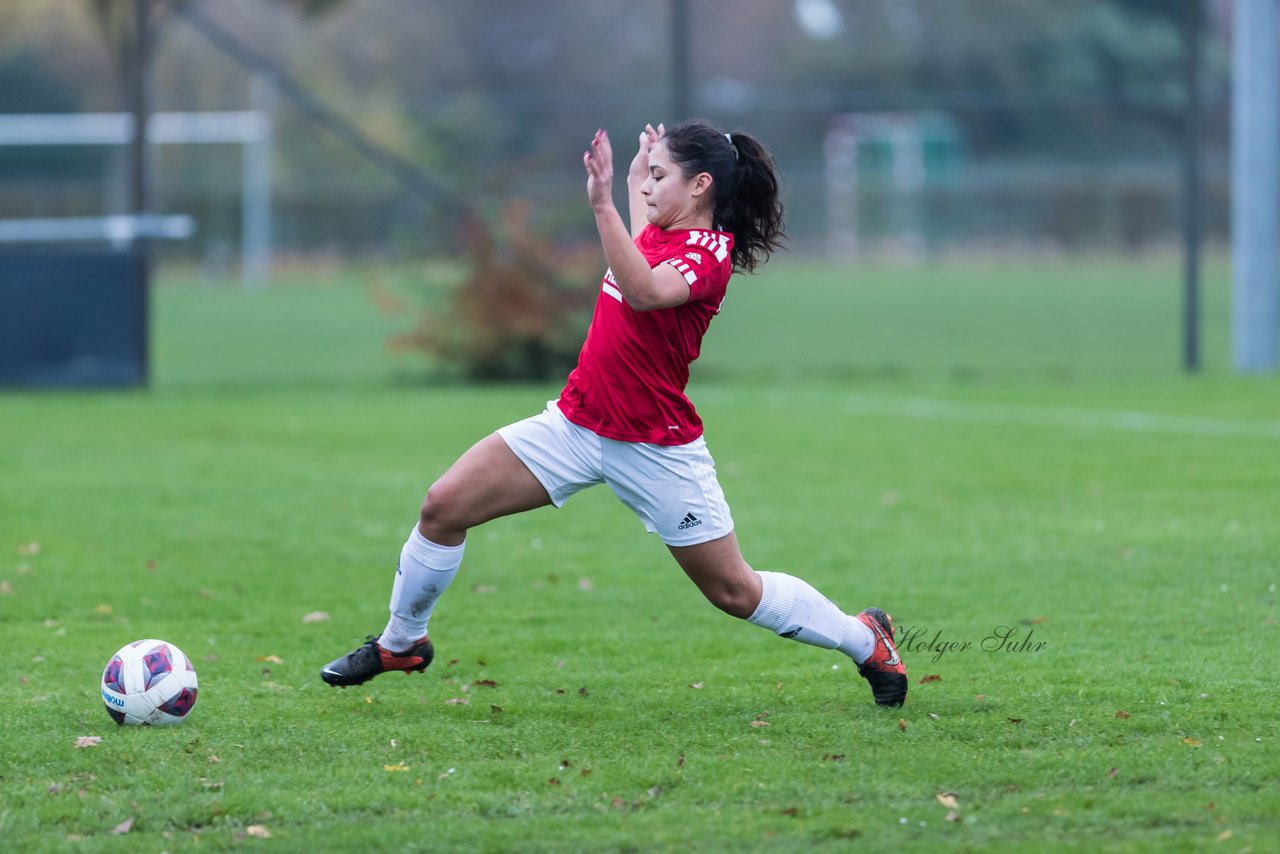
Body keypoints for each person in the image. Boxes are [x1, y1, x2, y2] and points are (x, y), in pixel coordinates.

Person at [320, 120, 907, 707]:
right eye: (646, 177)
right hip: (575, 425)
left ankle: (865, 639)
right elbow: (639, 249)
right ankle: (402, 642)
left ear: (700, 186)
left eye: (660, 176)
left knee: (734, 591)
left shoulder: (707, 252)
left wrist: (602, 203)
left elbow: (647, 291)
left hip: (654, 446)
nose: (648, 189)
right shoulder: (657, 229)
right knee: (443, 507)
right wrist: (630, 180)